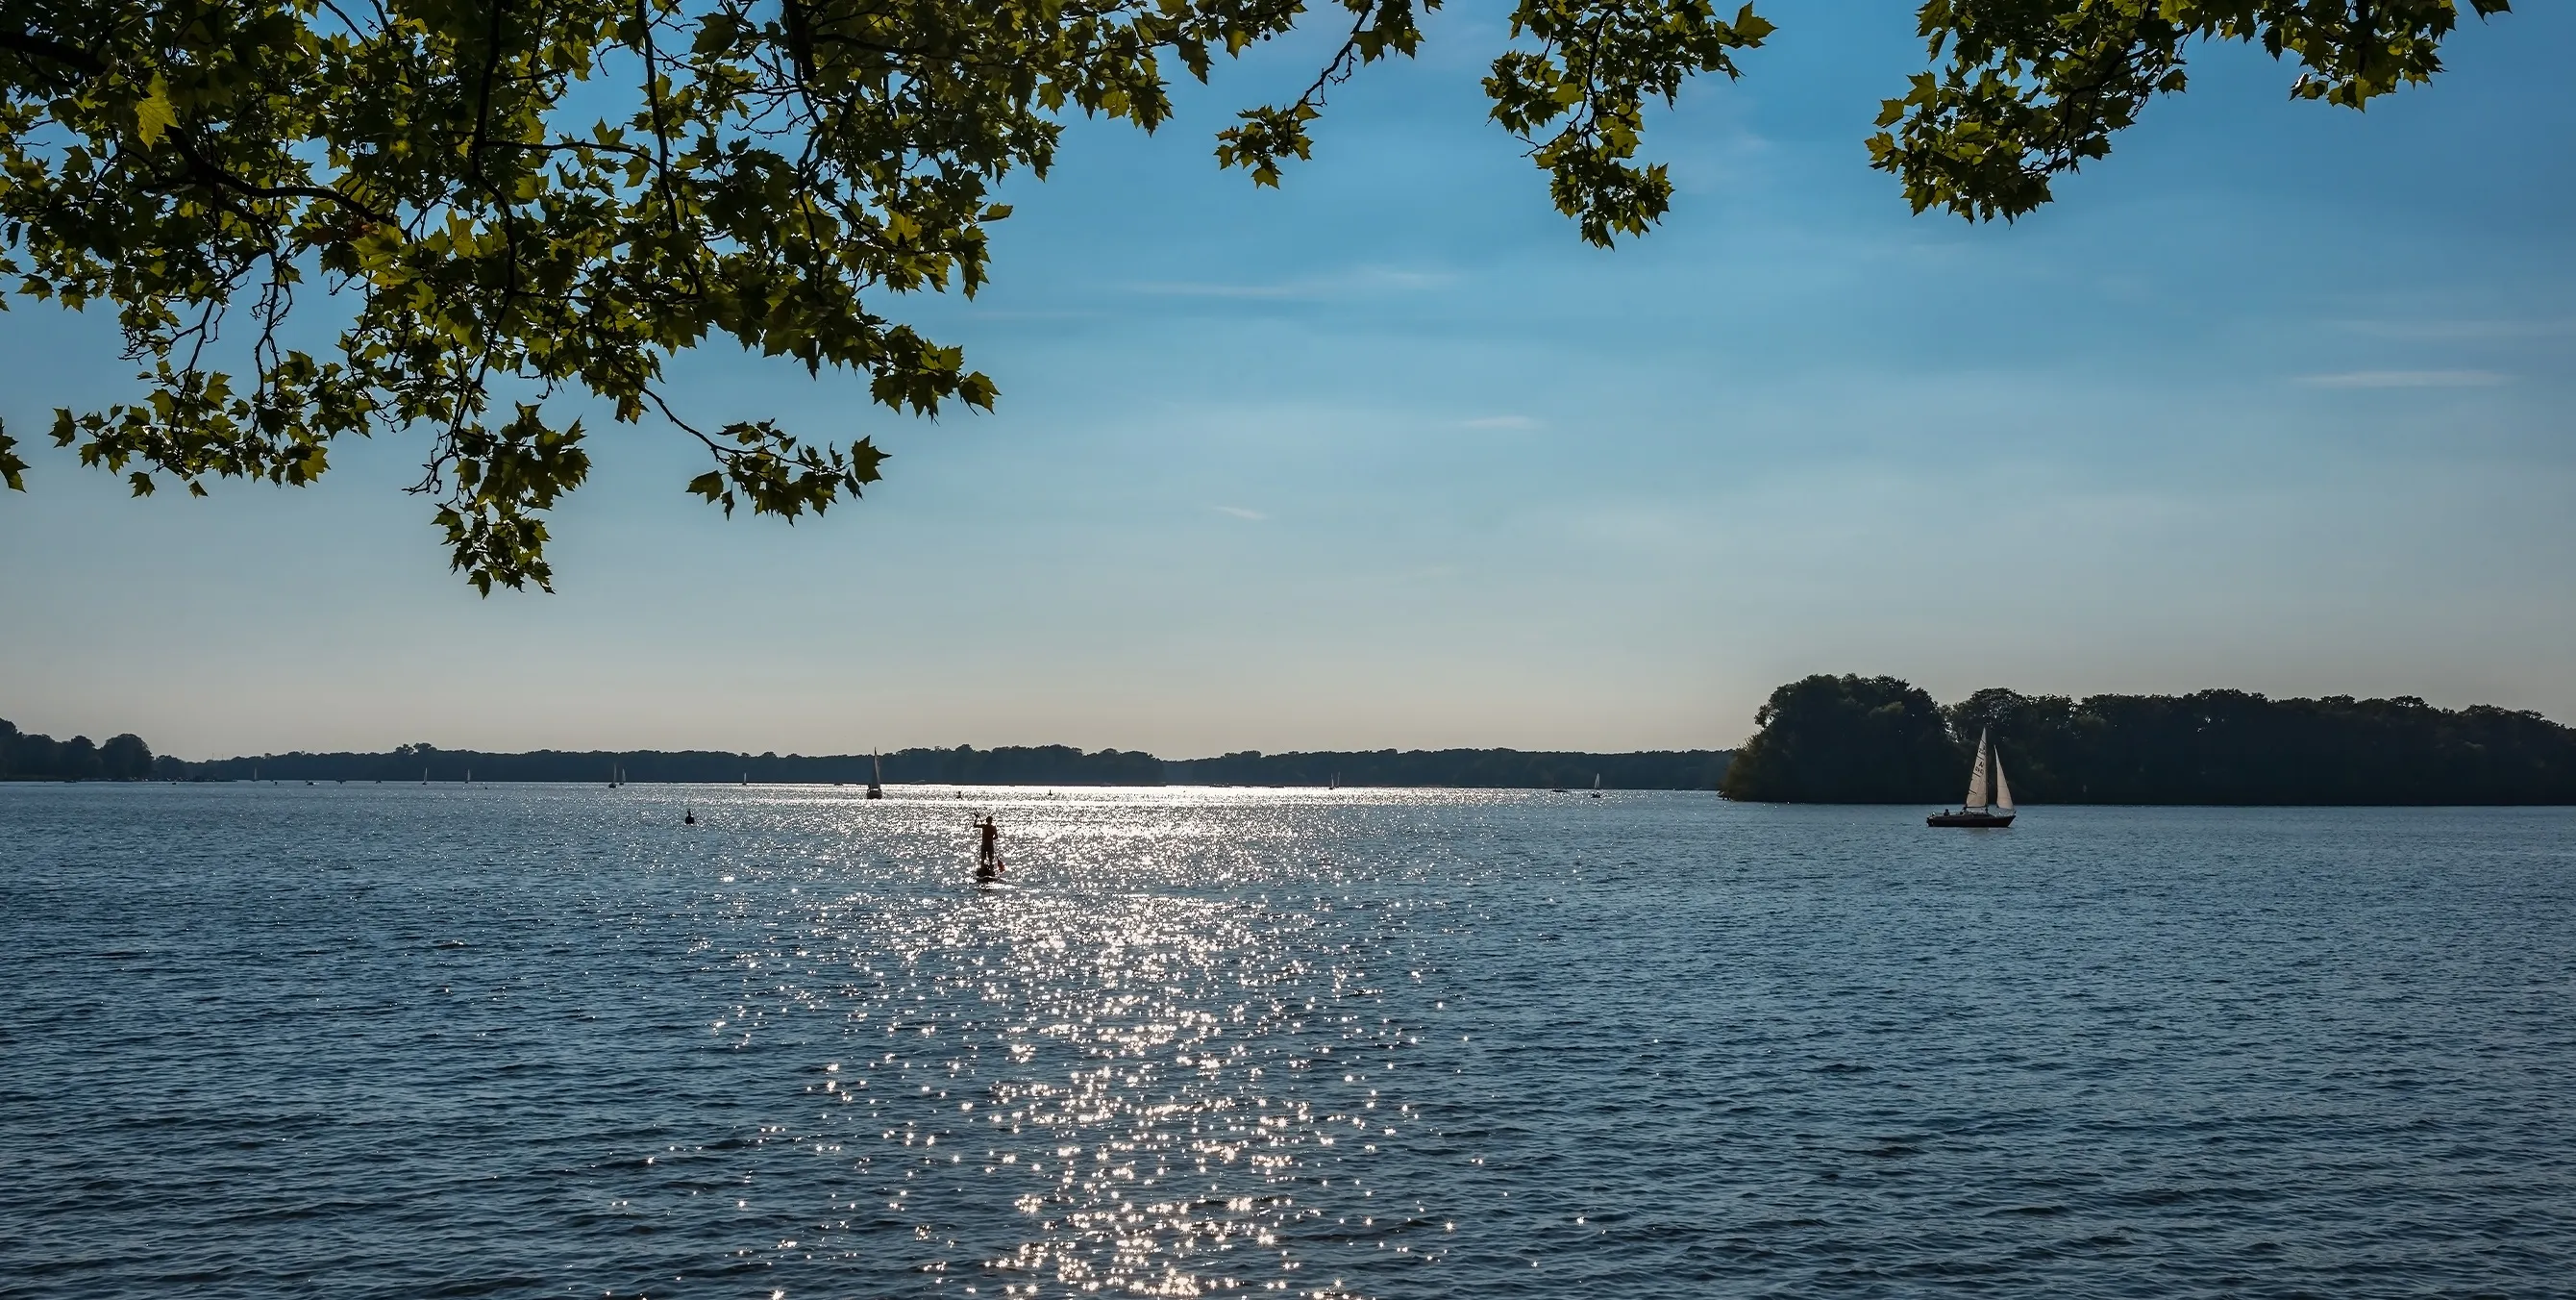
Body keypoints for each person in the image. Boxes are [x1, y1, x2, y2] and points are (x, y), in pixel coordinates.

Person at [976, 814, 1002, 881]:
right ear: (991, 821)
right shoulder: (993, 827)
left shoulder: (984, 826)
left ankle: (983, 872)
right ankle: (991, 872)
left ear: (987, 821)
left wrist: (976, 818)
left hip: (985, 845)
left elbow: (974, 825)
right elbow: (996, 837)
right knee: (990, 860)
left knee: (983, 859)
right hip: (990, 845)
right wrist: (991, 838)